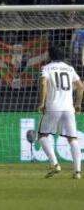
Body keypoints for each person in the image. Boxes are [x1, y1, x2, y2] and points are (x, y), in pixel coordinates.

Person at [37, 46, 83, 179]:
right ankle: (78, 171)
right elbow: (80, 86)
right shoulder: (70, 68)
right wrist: (78, 104)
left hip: (53, 107)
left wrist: (42, 102)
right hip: (69, 108)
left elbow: (43, 83)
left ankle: (55, 164)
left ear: (50, 56)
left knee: (42, 135)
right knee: (72, 139)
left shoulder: (46, 68)